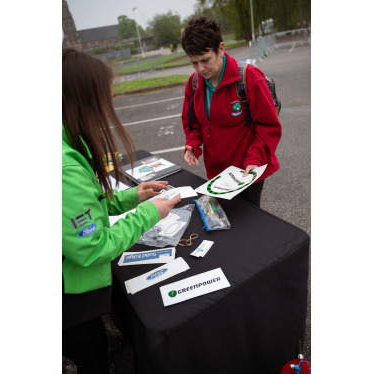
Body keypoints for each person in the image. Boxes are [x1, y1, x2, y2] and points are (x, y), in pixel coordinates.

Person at [62, 47, 181, 373]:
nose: (108, 110)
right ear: (83, 100)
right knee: (88, 350)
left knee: (91, 338)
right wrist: (149, 214)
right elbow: (92, 248)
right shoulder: (62, 164)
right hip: (66, 292)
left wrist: (133, 196)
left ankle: (96, 345)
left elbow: (86, 203)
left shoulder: (69, 139)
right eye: (105, 101)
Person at [180, 15, 282, 208]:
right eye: (194, 62)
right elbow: (192, 121)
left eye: (205, 60)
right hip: (216, 173)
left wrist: (255, 159)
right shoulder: (194, 83)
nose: (200, 68)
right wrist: (192, 143)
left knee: (248, 224)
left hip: (247, 170)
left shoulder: (249, 77)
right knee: (225, 222)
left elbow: (268, 125)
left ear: (220, 49)